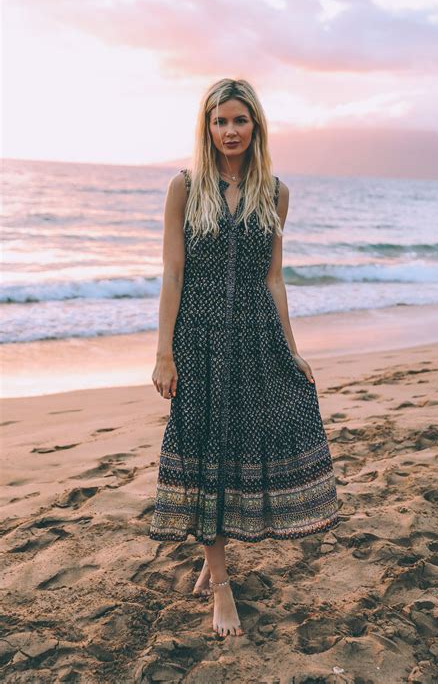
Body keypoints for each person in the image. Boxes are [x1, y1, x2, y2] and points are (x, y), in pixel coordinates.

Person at [150, 78, 339, 638]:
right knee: (206, 449)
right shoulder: (184, 187)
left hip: (256, 338)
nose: (229, 131)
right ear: (206, 127)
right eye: (219, 121)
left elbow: (274, 279)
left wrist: (292, 348)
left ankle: (213, 563)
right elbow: (173, 273)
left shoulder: (275, 193)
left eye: (239, 120)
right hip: (199, 341)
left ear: (256, 126)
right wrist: (164, 352)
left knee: (238, 450)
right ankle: (222, 583)